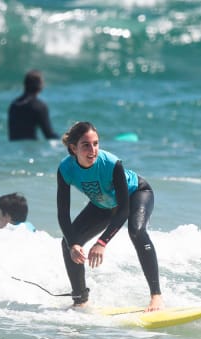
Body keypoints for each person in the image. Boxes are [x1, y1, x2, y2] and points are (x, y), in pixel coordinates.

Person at [57, 121, 164, 312]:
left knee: (136, 232)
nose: (93, 150)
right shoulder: (66, 169)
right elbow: (63, 213)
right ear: (73, 148)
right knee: (68, 243)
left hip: (136, 194)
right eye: (86, 145)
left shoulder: (111, 164)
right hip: (103, 204)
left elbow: (123, 210)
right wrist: (74, 244)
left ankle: (156, 296)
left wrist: (102, 242)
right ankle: (80, 299)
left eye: (96, 143)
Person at [8, 70, 59, 140]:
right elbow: (48, 135)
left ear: (25, 85)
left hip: (13, 148)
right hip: (30, 149)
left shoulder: (14, 105)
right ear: (40, 86)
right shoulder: (39, 106)